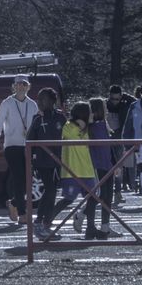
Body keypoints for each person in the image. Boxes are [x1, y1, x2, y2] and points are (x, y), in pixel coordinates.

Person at [0, 75, 38, 222]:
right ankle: (22, 213)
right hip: (12, 146)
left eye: (24, 84)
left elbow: (35, 127)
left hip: (28, 146)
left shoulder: (33, 105)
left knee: (28, 179)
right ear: (14, 86)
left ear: (28, 87)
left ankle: (14, 203)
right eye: (18, 84)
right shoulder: (7, 103)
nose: (21, 86)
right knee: (18, 178)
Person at [60, 101, 106, 240]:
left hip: (87, 169)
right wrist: (82, 126)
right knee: (68, 199)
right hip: (71, 170)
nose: (93, 114)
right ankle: (46, 222)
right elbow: (72, 136)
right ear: (84, 114)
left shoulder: (91, 128)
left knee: (94, 197)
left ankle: (90, 227)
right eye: (90, 112)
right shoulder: (69, 126)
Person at [27, 87, 67, 241]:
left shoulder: (60, 118)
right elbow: (29, 139)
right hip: (43, 162)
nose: (40, 102)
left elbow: (67, 137)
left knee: (53, 192)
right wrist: (31, 162)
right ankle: (38, 223)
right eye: (38, 99)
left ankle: (46, 225)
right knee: (50, 190)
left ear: (52, 101)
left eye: (43, 99)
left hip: (57, 161)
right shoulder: (38, 119)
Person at [88, 97, 116, 236]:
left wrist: (115, 163)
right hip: (97, 165)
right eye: (104, 107)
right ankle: (81, 214)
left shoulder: (104, 123)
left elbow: (109, 146)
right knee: (100, 195)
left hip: (108, 164)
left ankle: (106, 226)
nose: (106, 110)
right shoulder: (90, 126)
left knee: (108, 197)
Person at [107, 84, 137, 199]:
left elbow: (135, 102)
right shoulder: (105, 104)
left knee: (118, 166)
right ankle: (106, 191)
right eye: (113, 99)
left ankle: (117, 191)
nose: (115, 101)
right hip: (106, 138)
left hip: (119, 138)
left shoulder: (126, 103)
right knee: (107, 166)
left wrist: (125, 96)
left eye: (117, 99)